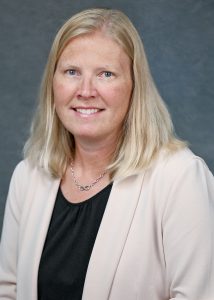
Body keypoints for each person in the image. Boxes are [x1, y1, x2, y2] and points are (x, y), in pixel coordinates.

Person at [0, 7, 213, 300]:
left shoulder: (180, 178)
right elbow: (8, 291)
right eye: (72, 72)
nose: (86, 90)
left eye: (106, 74)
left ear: (134, 87)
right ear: (53, 83)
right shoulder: (28, 176)